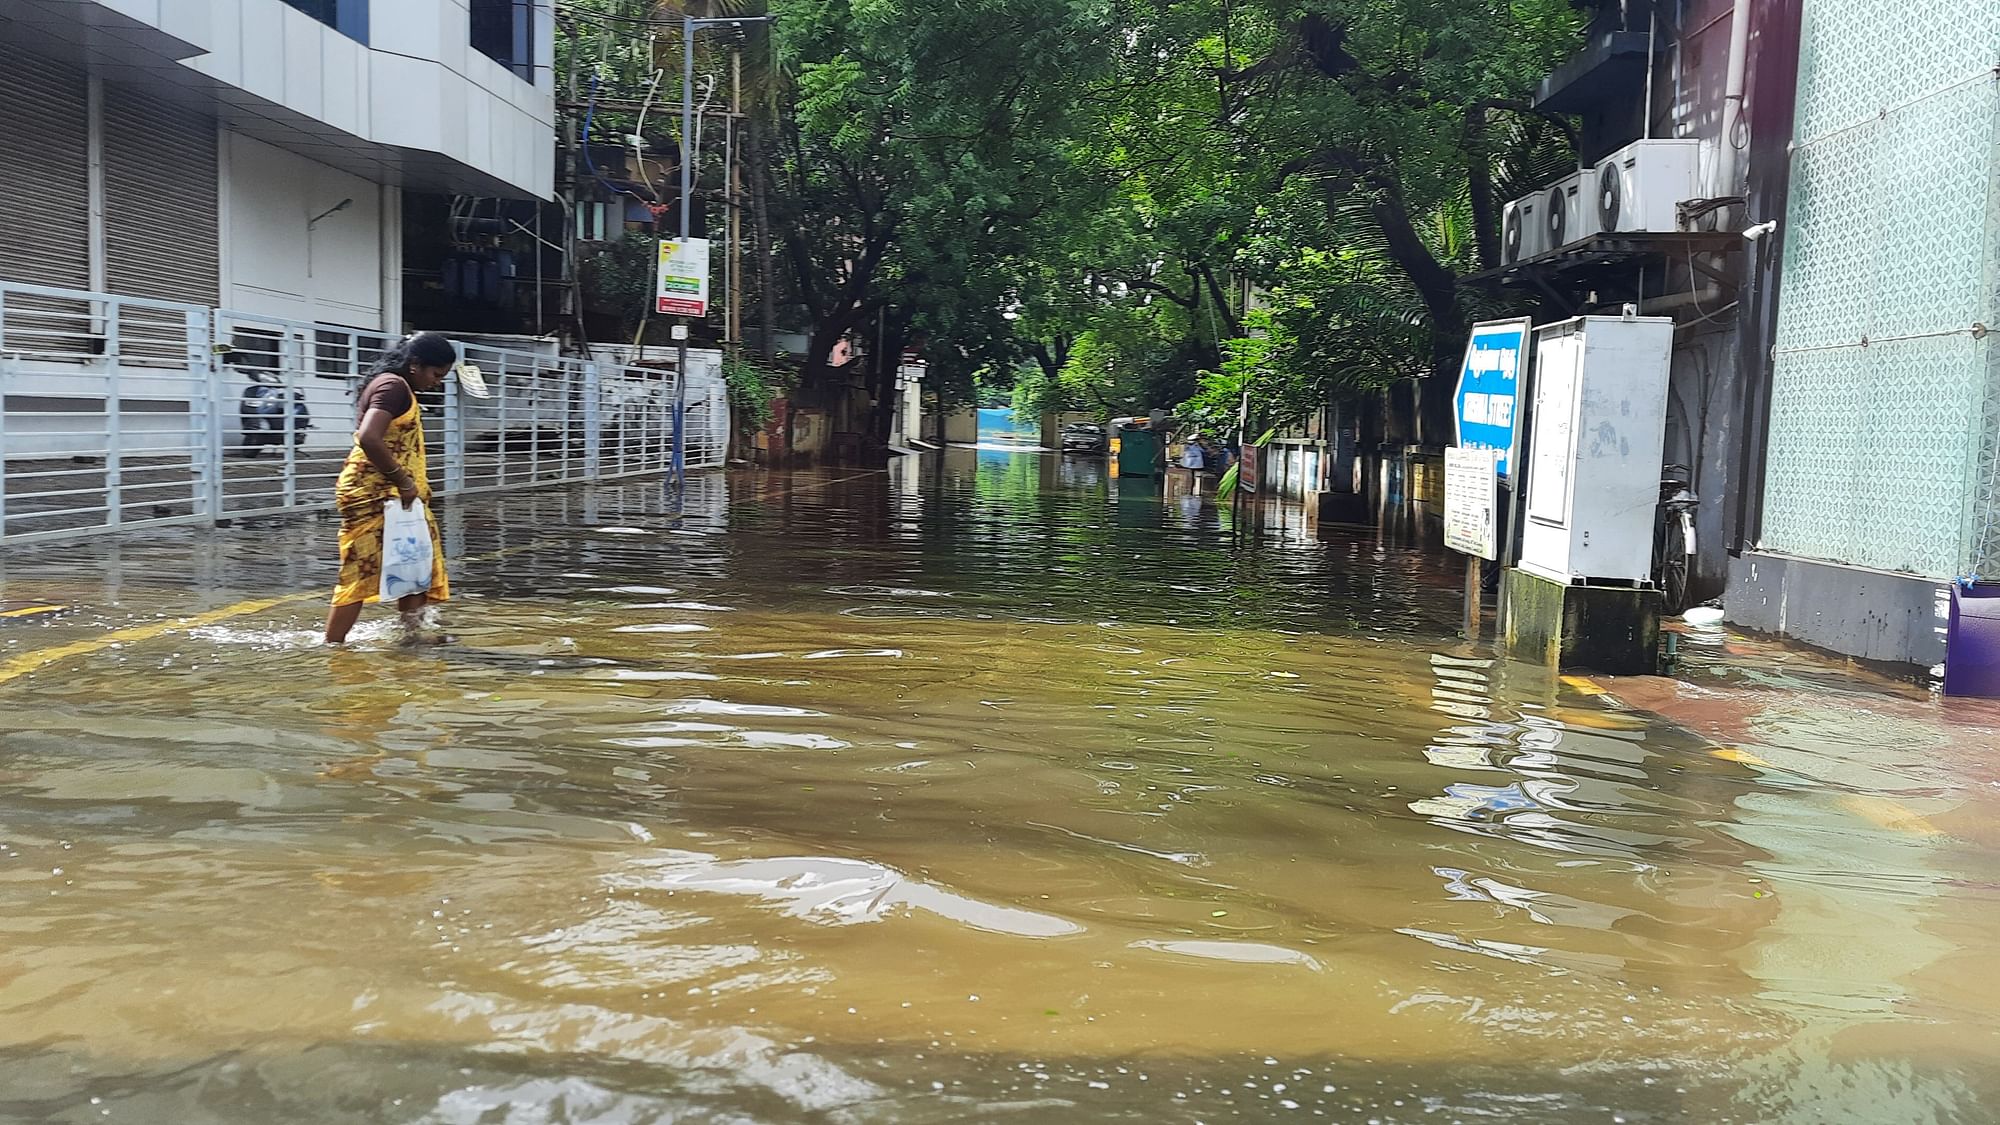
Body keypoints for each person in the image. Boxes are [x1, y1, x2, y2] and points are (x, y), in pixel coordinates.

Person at [324, 332, 456, 644]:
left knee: (416, 566)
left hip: (399, 497)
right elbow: (369, 437)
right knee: (359, 570)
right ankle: (332, 646)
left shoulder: (399, 387)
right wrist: (403, 480)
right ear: (415, 365)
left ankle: (411, 638)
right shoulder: (392, 387)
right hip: (376, 494)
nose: (438, 382)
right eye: (436, 374)